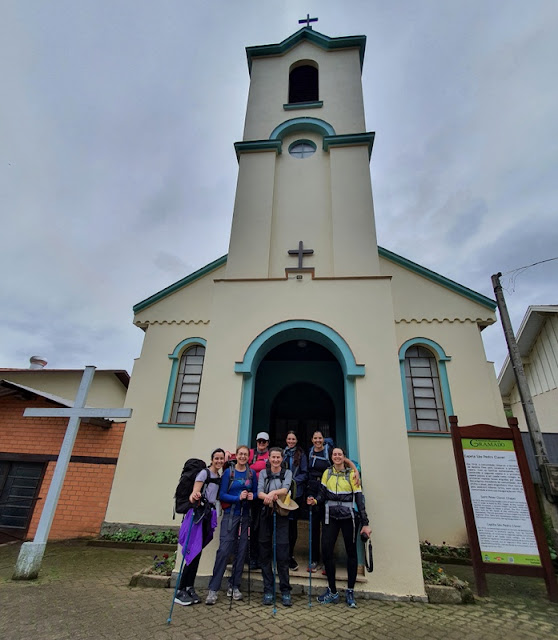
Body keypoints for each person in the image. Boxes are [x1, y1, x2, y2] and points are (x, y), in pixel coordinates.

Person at [307, 447, 371, 608]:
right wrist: (315, 501)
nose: (337, 456)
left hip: (349, 517)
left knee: (351, 552)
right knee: (327, 550)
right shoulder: (327, 473)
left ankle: (350, 591)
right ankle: (332, 591)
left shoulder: (351, 474)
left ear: (344, 457)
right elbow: (322, 494)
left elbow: (359, 499)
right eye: (334, 454)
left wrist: (365, 523)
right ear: (331, 457)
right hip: (330, 516)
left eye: (339, 454)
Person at [205, 445, 257, 605]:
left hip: (245, 517)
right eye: (240, 454)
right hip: (230, 516)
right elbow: (222, 495)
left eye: (245, 454)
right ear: (237, 456)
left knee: (241, 551)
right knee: (224, 550)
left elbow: (255, 493)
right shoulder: (229, 472)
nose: (242, 457)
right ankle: (213, 589)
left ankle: (234, 586)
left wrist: (250, 496)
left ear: (248, 457)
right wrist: (237, 498)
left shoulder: (252, 473)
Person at [174, 448, 225, 606]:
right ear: (212, 459)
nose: (219, 461)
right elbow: (194, 492)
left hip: (207, 515)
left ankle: (189, 586)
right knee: (192, 551)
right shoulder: (204, 473)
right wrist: (194, 496)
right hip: (196, 515)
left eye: (221, 459)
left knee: (198, 553)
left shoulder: (218, 476)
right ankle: (180, 590)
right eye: (216, 458)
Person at [306, 431, 360, 573]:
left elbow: (345, 460)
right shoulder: (309, 451)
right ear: (312, 440)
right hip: (313, 490)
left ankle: (326, 561)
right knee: (313, 527)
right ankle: (314, 560)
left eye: (320, 438)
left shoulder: (330, 451)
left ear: (323, 439)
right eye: (315, 438)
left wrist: (356, 472)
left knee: (327, 528)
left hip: (327, 491)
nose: (318, 440)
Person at [258, 447, 293, 607]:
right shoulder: (264, 473)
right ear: (269, 458)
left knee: (282, 553)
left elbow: (285, 489)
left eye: (278, 457)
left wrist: (271, 495)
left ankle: (285, 590)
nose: (276, 460)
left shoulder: (287, 472)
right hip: (266, 514)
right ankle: (268, 590)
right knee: (265, 553)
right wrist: (267, 497)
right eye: (273, 457)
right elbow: (259, 492)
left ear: (282, 458)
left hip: (282, 515)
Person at [282, 431, 307, 570]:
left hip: (296, 494)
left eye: (293, 439)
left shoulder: (301, 455)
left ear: (296, 441)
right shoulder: (282, 453)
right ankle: (282, 554)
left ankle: (290, 555)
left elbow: (305, 473)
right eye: (289, 438)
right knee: (282, 524)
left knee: (292, 525)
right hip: (282, 494)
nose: (291, 441)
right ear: (286, 440)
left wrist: (292, 482)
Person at [248, 431, 271, 570]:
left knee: (265, 529)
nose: (261, 444)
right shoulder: (250, 453)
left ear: (268, 443)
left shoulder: (271, 455)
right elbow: (237, 458)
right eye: (259, 441)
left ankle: (264, 558)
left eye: (264, 441)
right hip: (251, 496)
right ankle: (253, 557)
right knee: (253, 528)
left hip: (265, 496)